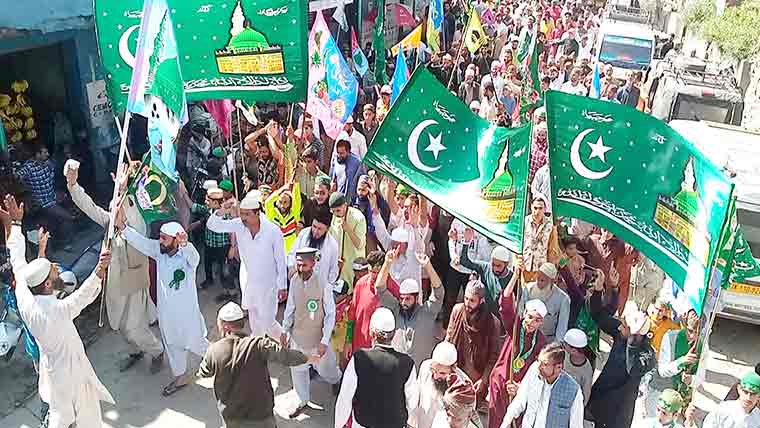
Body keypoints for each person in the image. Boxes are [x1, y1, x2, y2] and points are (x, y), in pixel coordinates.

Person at [4, 198, 114, 428]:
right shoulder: (56, 310)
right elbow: (84, 296)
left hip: (53, 373)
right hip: (71, 375)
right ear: (46, 285)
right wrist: (100, 269)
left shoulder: (26, 297)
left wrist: (14, 225)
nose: (57, 269)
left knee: (62, 415)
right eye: (54, 272)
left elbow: (17, 261)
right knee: (84, 418)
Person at [65, 163, 163, 372]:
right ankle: (135, 351)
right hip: (115, 285)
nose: (114, 212)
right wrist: (72, 185)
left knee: (134, 327)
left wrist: (122, 189)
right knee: (119, 324)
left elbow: (130, 212)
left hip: (134, 283)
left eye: (119, 207)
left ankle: (157, 351)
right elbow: (89, 207)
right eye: (113, 208)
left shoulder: (138, 226)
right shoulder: (110, 224)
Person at [118, 217, 209, 396]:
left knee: (197, 343)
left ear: (176, 239)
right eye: (160, 236)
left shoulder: (187, 257)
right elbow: (141, 242)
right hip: (166, 314)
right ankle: (181, 376)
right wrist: (123, 228)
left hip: (187, 314)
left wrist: (186, 245)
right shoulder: (159, 252)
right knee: (172, 345)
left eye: (164, 238)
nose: (160, 240)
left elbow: (194, 257)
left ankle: (223, 361)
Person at [198, 302, 318, 428]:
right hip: (262, 416)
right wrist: (309, 358)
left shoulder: (214, 351)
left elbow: (204, 371)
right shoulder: (259, 344)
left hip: (233, 418)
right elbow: (285, 356)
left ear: (225, 325)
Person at [207, 191, 287, 337]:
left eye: (247, 214)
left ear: (257, 213)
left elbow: (281, 260)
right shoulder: (239, 225)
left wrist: (282, 286)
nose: (243, 218)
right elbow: (213, 226)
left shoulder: (273, 231)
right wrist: (222, 210)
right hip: (248, 282)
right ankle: (258, 347)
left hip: (268, 285)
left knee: (269, 322)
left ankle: (286, 343)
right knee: (254, 320)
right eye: (241, 213)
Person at [586, 276, 655, 428]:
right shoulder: (620, 333)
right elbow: (599, 316)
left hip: (618, 415)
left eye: (624, 326)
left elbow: (634, 368)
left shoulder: (648, 354)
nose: (619, 326)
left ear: (635, 334)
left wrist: (630, 343)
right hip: (600, 401)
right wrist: (603, 290)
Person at [282, 247, 343, 417]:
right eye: (298, 265)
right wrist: (285, 329)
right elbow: (290, 308)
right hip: (298, 338)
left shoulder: (323, 283)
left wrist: (324, 340)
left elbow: (330, 314)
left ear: (313, 263)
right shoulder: (294, 281)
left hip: (318, 341)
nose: (301, 269)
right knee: (298, 370)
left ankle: (337, 379)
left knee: (327, 371)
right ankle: (301, 399)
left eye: (304, 265)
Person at [335, 307, 418, 428]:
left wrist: (339, 425)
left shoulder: (359, 358)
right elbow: (413, 401)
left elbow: (345, 397)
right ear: (394, 334)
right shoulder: (407, 363)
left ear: (371, 333)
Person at [489, 269, 547, 428]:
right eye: (529, 317)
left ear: (541, 323)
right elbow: (505, 301)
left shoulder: (541, 341)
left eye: (537, 320)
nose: (531, 323)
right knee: (496, 422)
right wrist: (515, 274)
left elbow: (539, 371)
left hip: (520, 391)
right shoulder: (514, 326)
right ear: (525, 314)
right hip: (501, 383)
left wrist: (521, 387)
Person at [376, 250, 444, 367]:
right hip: (398, 374)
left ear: (416, 298)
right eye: (402, 298)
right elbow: (380, 288)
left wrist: (427, 265)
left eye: (408, 299)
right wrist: (387, 263)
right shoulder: (396, 310)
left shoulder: (427, 312)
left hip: (419, 375)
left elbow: (439, 292)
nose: (403, 302)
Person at [500, 342, 584, 428]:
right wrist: (506, 423)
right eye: (539, 361)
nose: (539, 367)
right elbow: (519, 401)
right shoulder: (534, 370)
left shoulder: (574, 391)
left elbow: (576, 425)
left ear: (558, 367)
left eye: (545, 364)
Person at [446, 280, 500, 408]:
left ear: (481, 301)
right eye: (466, 298)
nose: (467, 303)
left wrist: (484, 379)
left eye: (472, 300)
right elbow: (449, 337)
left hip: (476, 378)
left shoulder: (493, 323)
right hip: (456, 371)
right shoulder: (457, 310)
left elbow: (494, 356)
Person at [345, 250, 400, 358]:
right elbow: (351, 315)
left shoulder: (395, 290)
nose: (373, 276)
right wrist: (348, 340)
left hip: (382, 352)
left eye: (377, 272)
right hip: (359, 347)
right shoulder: (360, 284)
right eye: (371, 271)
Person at [16, 145, 74, 242]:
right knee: (68, 218)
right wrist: (26, 185)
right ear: (38, 155)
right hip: (44, 203)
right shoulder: (29, 167)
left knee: (69, 200)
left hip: (52, 197)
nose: (47, 154)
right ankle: (65, 243)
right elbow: (17, 176)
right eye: (44, 152)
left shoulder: (48, 163)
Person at [415, 342, 475, 428]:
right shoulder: (425, 367)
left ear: (453, 368)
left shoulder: (463, 388)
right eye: (434, 370)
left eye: (442, 373)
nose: (436, 376)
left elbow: (464, 419)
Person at [445, 220, 492, 324]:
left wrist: (474, 271)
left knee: (469, 302)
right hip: (455, 268)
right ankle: (445, 326)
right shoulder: (457, 221)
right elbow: (451, 240)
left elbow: (480, 251)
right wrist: (453, 256)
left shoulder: (479, 223)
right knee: (449, 298)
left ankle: (466, 325)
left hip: (470, 272)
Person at [458, 228, 513, 314]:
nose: (495, 268)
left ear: (506, 264)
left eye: (498, 266)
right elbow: (465, 261)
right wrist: (466, 242)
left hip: (499, 318)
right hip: (482, 314)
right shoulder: (485, 268)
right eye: (493, 264)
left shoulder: (512, 277)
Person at [517, 262, 570, 342]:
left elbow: (561, 328)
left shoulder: (563, 299)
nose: (538, 283)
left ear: (552, 281)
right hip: (527, 338)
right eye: (537, 279)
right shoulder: (528, 289)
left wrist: (554, 348)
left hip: (547, 340)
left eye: (542, 280)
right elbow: (520, 314)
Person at [288, 210, 339, 285]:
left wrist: (327, 287)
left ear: (327, 229)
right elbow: (292, 254)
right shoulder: (303, 234)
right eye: (314, 226)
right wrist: (292, 267)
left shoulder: (332, 245)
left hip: (320, 287)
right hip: (299, 283)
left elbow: (333, 270)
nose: (315, 231)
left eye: (319, 229)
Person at [329, 192, 367, 290]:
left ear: (345, 205)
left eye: (338, 210)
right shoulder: (334, 216)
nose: (336, 214)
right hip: (340, 268)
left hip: (354, 267)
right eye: (333, 212)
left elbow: (359, 245)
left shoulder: (358, 217)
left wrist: (348, 229)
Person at [523, 196, 560, 282]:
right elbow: (517, 244)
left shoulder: (550, 226)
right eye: (535, 208)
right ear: (531, 206)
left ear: (545, 209)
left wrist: (550, 270)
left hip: (541, 269)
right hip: (525, 267)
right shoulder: (524, 222)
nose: (537, 212)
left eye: (540, 208)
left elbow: (552, 250)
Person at [263, 180, 302, 253]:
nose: (282, 205)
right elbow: (268, 203)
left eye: (285, 202)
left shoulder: (294, 214)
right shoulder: (272, 214)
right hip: (275, 251)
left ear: (290, 204)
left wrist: (296, 183)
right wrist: (283, 189)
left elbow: (297, 199)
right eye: (280, 202)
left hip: (291, 252)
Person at [562, 329, 594, 406]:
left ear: (573, 351)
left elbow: (586, 394)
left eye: (565, 344)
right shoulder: (564, 354)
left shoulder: (587, 371)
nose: (563, 345)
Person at [330, 139, 365, 203]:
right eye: (338, 153)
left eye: (342, 153)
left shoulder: (357, 163)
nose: (339, 156)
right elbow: (333, 179)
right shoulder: (335, 161)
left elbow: (361, 181)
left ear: (348, 151)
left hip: (352, 201)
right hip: (339, 199)